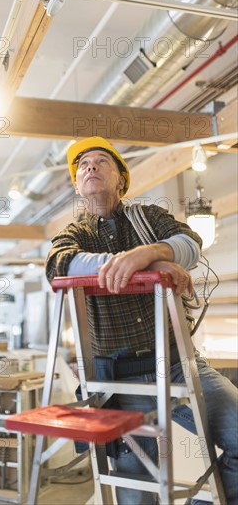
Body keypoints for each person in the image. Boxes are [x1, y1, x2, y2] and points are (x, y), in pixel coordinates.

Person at [45, 136, 238, 504]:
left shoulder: (149, 218)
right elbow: (58, 264)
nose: (90, 166)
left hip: (181, 365)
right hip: (118, 382)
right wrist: (148, 264)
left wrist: (149, 252)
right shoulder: (75, 234)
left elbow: (191, 244)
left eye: (101, 161)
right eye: (82, 164)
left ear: (121, 179)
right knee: (137, 494)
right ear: (76, 185)